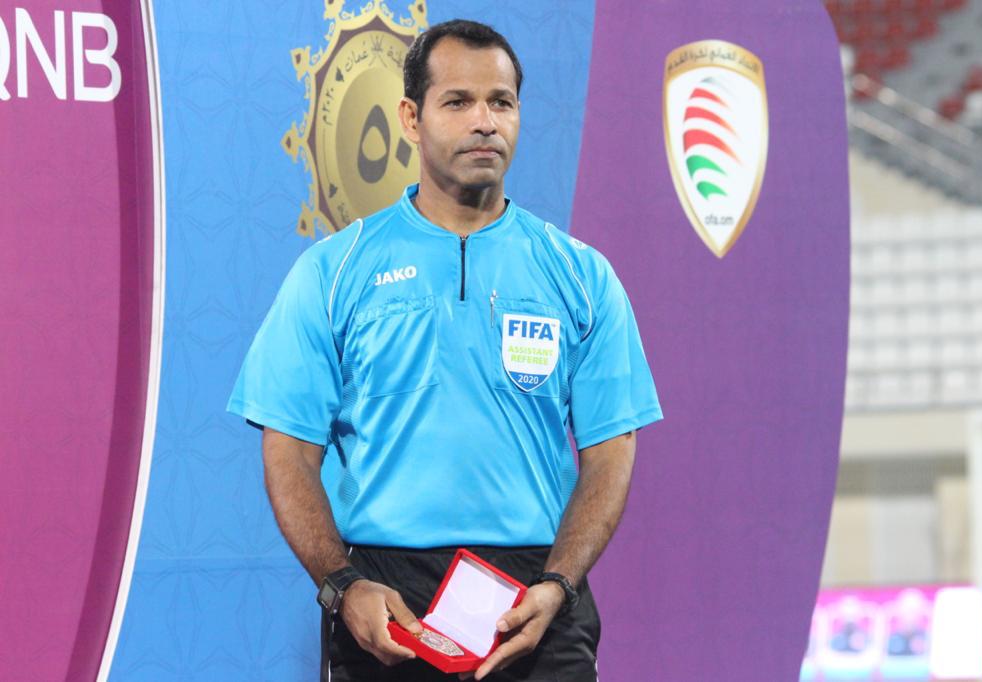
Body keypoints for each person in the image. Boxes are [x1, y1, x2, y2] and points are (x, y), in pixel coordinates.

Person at [227, 18, 662, 682]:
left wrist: (559, 583)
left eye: (501, 102)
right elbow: (288, 450)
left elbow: (610, 454)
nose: (485, 122)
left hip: (537, 595)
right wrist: (342, 585)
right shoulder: (333, 272)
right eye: (458, 102)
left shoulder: (581, 275)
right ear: (411, 117)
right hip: (385, 595)